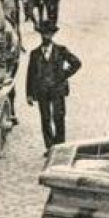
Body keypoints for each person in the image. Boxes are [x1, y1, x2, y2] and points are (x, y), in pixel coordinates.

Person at [26, 23, 81, 151]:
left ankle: (60, 145)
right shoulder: (35, 54)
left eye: (49, 34)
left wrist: (64, 74)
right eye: (44, 34)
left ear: (53, 35)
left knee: (58, 117)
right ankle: (50, 147)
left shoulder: (61, 51)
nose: (46, 36)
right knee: (45, 118)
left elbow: (76, 63)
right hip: (42, 90)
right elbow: (30, 75)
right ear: (41, 35)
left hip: (57, 89)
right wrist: (29, 94)